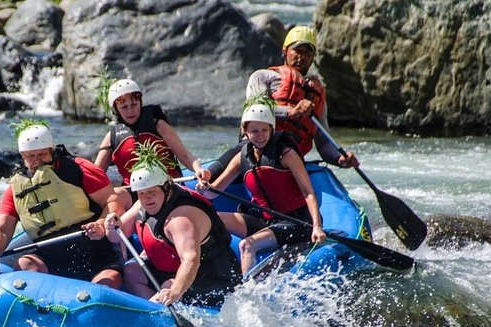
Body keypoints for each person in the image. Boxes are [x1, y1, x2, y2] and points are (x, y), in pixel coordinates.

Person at [0, 123, 125, 289]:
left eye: (42, 154)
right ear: (23, 156)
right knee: (25, 264)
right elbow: (2, 229)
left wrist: (101, 224)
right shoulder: (16, 189)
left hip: (96, 251)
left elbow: (112, 201)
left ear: (52, 151)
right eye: (31, 156)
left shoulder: (79, 169)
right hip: (51, 257)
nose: (37, 160)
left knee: (108, 282)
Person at [207, 26, 358, 180]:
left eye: (308, 52)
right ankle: (208, 176)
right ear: (285, 51)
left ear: (313, 58)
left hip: (290, 159)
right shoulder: (263, 77)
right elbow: (254, 110)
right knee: (241, 150)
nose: (302, 57)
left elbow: (324, 143)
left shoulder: (316, 97)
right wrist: (290, 112)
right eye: (297, 50)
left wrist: (340, 159)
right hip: (257, 148)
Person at [198, 101, 326, 275]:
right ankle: (212, 271)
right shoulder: (242, 157)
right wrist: (203, 187)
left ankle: (245, 295)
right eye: (254, 131)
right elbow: (212, 192)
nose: (260, 136)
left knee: (247, 244)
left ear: (272, 129)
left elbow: (308, 192)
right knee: (211, 218)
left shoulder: (286, 154)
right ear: (245, 131)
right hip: (266, 221)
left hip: (297, 222)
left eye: (264, 130)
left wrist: (316, 227)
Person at [104, 162, 241, 308]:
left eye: (152, 192)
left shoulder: (180, 219)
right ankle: (158, 312)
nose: (147, 198)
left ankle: (158, 311)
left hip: (216, 277)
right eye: (142, 193)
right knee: (132, 271)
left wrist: (175, 291)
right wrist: (110, 225)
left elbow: (191, 259)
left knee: (168, 285)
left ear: (166, 188)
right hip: (174, 268)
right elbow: (115, 236)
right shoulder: (144, 202)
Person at [95, 79, 211, 208]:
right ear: (116, 109)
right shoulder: (111, 137)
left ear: (140, 102)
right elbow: (95, 174)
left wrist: (198, 170)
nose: (130, 111)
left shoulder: (159, 126)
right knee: (115, 194)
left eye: (134, 104)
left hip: (166, 188)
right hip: (136, 193)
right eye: (124, 107)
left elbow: (184, 155)